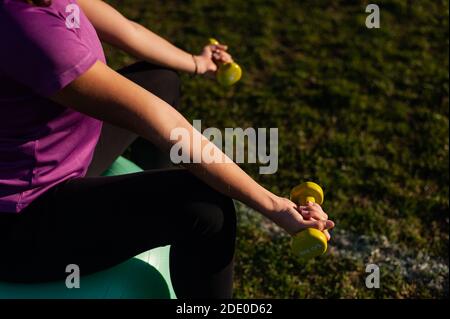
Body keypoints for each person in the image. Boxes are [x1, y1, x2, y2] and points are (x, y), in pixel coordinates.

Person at [0, 0, 334, 299]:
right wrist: (274, 206)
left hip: (55, 160)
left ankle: (155, 225)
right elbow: (161, 125)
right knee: (208, 208)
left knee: (161, 81)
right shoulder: (29, 32)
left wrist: (197, 62)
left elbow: (129, 32)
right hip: (22, 221)